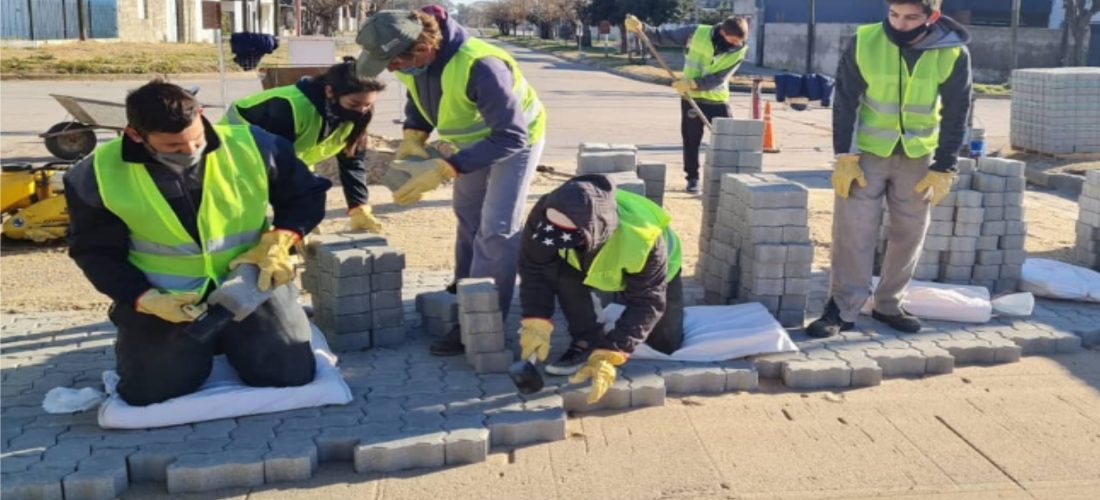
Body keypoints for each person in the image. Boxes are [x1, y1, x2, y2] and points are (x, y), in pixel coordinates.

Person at [64, 80, 330, 406]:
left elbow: (307, 194)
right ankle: (163, 339)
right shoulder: (96, 174)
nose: (190, 151)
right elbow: (94, 251)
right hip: (166, 297)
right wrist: (141, 298)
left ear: (201, 115)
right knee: (150, 392)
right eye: (173, 147)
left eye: (196, 140)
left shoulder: (255, 145)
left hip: (248, 285)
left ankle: (240, 335)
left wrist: (281, 239)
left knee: (288, 374)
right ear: (135, 135)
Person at [354, 8, 547, 356]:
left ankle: (482, 319)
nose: (392, 69)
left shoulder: (481, 66)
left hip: (516, 139)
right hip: (474, 141)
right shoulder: (414, 62)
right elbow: (420, 95)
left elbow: (511, 136)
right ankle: (468, 289)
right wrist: (414, 134)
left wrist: (447, 169)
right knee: (467, 213)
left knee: (497, 227)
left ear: (423, 47)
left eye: (394, 62)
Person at [807, 0, 971, 338]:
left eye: (911, 17)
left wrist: (945, 166)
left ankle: (888, 304)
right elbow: (846, 99)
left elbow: (958, 111)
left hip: (918, 157)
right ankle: (842, 307)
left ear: (932, 16)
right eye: (894, 15)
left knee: (910, 234)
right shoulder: (865, 40)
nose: (900, 24)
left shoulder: (952, 52)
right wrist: (845, 155)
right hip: (867, 153)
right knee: (853, 231)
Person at [517, 175, 684, 403]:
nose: (556, 239)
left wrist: (613, 351)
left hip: (656, 271)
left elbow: (648, 300)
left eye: (567, 235)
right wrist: (536, 318)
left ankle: (610, 343)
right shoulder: (545, 213)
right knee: (561, 277)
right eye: (553, 232)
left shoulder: (643, 239)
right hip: (580, 263)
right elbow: (534, 267)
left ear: (592, 230)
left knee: (665, 345)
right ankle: (587, 339)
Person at [225, 57, 386, 233]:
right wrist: (292, 225)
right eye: (354, 104)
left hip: (281, 158)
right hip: (233, 154)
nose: (361, 110)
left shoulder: (356, 114)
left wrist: (359, 206)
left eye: (368, 105)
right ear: (330, 92)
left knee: (306, 198)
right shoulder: (289, 107)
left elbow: (352, 161)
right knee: (244, 215)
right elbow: (279, 172)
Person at [625, 13, 749, 194]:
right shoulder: (697, 32)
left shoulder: (740, 49)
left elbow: (720, 77)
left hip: (717, 100)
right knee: (691, 141)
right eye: (733, 39)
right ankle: (692, 179)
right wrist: (642, 28)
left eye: (740, 40)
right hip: (691, 98)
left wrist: (693, 83)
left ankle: (728, 178)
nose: (737, 43)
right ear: (723, 32)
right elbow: (663, 37)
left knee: (727, 140)